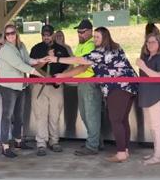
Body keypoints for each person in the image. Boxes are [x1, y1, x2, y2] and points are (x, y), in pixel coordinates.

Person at [48, 27, 138, 163]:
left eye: (97, 37)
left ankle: (121, 153)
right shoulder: (115, 48)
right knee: (122, 119)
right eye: (94, 36)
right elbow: (84, 64)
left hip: (117, 88)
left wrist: (57, 59)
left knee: (116, 120)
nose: (95, 39)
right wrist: (63, 74)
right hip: (130, 86)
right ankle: (124, 150)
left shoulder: (101, 52)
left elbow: (81, 61)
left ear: (105, 38)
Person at [55, 19, 103, 156]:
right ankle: (95, 141)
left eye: (82, 32)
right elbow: (75, 65)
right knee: (85, 114)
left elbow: (82, 68)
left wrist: (63, 76)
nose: (79, 34)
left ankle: (92, 145)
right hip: (82, 83)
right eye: (78, 31)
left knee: (91, 115)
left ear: (90, 31)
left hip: (90, 83)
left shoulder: (90, 45)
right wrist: (65, 75)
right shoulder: (81, 45)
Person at [0, 24, 44, 158]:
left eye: (12, 32)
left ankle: (18, 141)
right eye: (7, 34)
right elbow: (19, 65)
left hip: (21, 85)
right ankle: (5, 145)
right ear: (4, 36)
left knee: (19, 115)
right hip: (9, 87)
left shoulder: (21, 45)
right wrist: (38, 73)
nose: (10, 35)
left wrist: (40, 60)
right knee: (7, 116)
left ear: (16, 33)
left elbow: (27, 60)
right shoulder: (5, 49)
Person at [30, 25, 70, 156]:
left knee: (55, 115)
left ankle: (54, 141)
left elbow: (69, 66)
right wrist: (47, 57)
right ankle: (41, 143)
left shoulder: (61, 49)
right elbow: (32, 66)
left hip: (56, 87)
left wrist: (62, 77)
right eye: (44, 34)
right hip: (39, 85)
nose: (46, 37)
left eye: (48, 34)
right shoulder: (36, 49)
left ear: (53, 35)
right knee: (40, 116)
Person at [136, 33, 160, 165]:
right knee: (153, 126)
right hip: (147, 95)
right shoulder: (146, 56)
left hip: (157, 96)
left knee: (157, 126)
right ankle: (158, 152)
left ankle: (158, 155)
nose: (150, 44)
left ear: (159, 43)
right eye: (148, 42)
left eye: (153, 42)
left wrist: (143, 66)